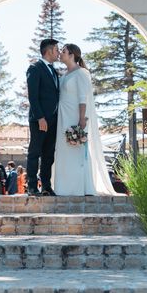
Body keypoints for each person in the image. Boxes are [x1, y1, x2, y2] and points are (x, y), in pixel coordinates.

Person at [53, 43, 121, 196]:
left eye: (63, 51)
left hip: (75, 116)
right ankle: (63, 187)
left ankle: (79, 187)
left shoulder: (82, 73)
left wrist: (82, 118)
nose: (60, 54)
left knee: (76, 151)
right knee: (64, 152)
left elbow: (83, 97)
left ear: (72, 55)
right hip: (62, 117)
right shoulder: (64, 75)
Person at [25, 38, 60, 196]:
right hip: (39, 120)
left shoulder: (53, 70)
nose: (58, 53)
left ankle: (46, 185)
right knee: (35, 152)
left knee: (48, 155)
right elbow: (33, 96)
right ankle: (32, 186)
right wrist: (40, 118)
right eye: (57, 50)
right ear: (49, 51)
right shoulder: (35, 67)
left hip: (54, 120)